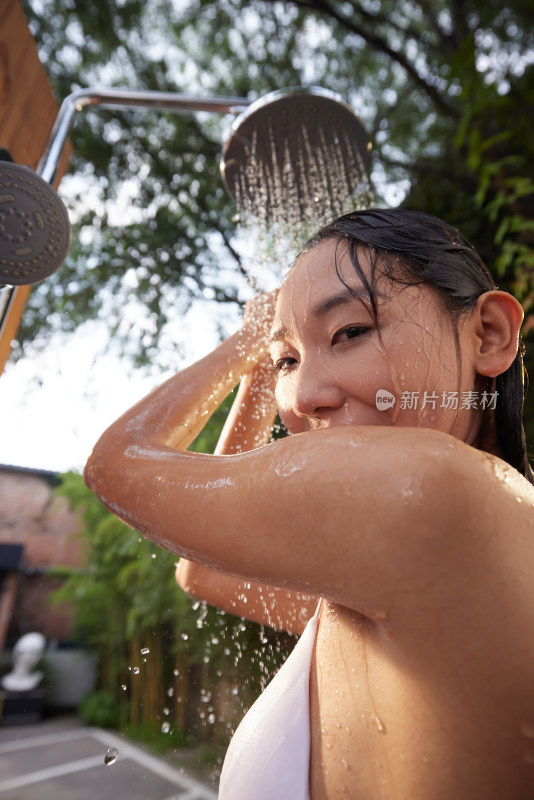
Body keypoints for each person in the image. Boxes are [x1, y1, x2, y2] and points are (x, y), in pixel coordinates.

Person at [85, 209, 534, 800]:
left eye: (350, 332)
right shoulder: (447, 556)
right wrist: (261, 366)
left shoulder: (431, 488)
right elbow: (205, 574)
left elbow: (118, 464)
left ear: (489, 335)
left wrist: (247, 340)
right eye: (288, 364)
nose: (304, 398)